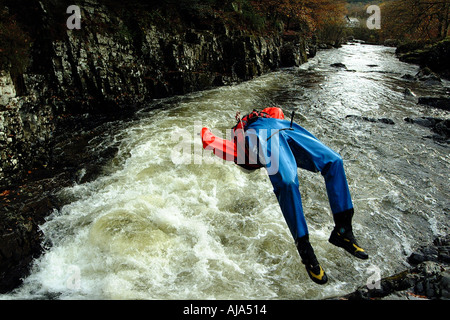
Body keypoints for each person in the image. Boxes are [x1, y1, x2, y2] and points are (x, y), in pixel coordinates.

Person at [200, 107, 368, 285]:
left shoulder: (241, 151)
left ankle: (343, 231)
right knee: (295, 178)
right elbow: (275, 110)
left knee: (332, 162)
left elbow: (210, 141)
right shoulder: (245, 149)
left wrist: (206, 131)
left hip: (276, 129)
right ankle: (305, 248)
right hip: (277, 127)